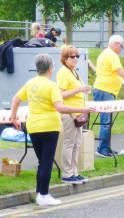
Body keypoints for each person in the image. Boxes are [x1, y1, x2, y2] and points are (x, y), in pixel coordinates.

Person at [10, 54, 94, 206]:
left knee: (43, 162)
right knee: (46, 163)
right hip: (49, 127)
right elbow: (60, 107)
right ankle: (43, 194)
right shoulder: (51, 86)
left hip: (33, 126)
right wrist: (83, 108)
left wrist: (13, 117)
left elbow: (16, 99)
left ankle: (40, 193)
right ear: (50, 69)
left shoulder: (30, 83)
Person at [93, 34, 124, 157]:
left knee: (107, 121)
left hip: (103, 89)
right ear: (115, 44)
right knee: (106, 122)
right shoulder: (112, 55)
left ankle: (106, 147)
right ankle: (102, 149)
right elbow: (120, 71)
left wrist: (121, 81)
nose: (122, 48)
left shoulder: (105, 54)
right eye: (121, 46)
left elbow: (111, 73)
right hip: (105, 91)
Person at [56, 46, 91, 184]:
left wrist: (83, 90)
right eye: (72, 56)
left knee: (77, 143)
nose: (76, 58)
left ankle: (74, 172)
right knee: (69, 143)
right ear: (65, 58)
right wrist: (79, 89)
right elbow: (60, 94)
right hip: (69, 113)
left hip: (78, 113)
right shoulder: (63, 72)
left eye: (77, 56)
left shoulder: (73, 71)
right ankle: (67, 173)